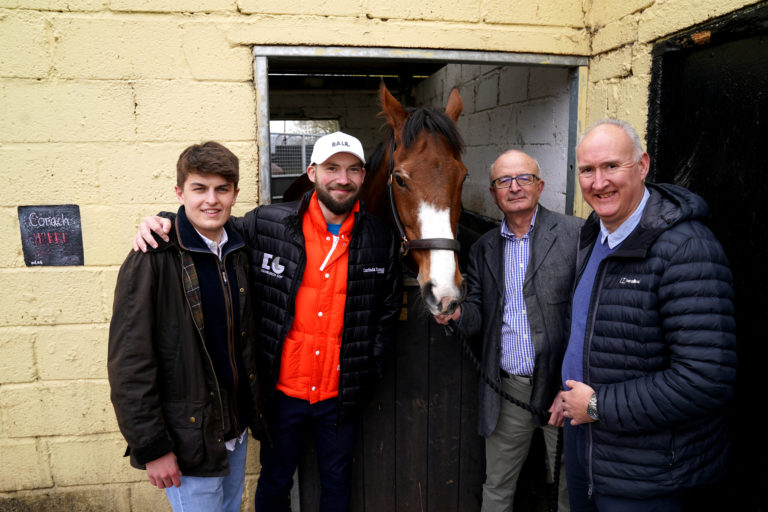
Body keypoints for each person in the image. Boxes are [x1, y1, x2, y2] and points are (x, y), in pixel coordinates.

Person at [133, 131, 403, 512]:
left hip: (339, 396)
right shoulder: (268, 223)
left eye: (352, 170)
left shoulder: (380, 238)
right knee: (275, 481)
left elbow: (388, 312)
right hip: (283, 394)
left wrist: (368, 368)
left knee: (337, 481)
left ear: (364, 176)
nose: (342, 179)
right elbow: (209, 226)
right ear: (312, 173)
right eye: (331, 168)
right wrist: (164, 222)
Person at [560, 119, 737, 511]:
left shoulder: (686, 249)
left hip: (650, 475)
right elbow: (591, 333)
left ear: (642, 166)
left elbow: (706, 379)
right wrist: (568, 392)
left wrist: (596, 405)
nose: (598, 182)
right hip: (589, 452)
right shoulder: (594, 234)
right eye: (587, 170)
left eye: (611, 166)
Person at [108, 141, 267, 512]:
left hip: (235, 430)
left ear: (235, 194)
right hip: (188, 440)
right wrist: (152, 448)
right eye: (199, 188)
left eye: (222, 189)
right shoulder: (152, 258)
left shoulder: (239, 249)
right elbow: (129, 363)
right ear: (180, 193)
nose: (211, 200)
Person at [436, 150, 581, 512]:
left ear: (540, 186)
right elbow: (478, 316)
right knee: (498, 485)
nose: (514, 187)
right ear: (493, 193)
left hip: (564, 388)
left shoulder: (574, 234)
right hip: (509, 388)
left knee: (570, 486)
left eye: (524, 178)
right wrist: (456, 314)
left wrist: (575, 383)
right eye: (504, 181)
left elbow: (589, 314)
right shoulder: (484, 248)